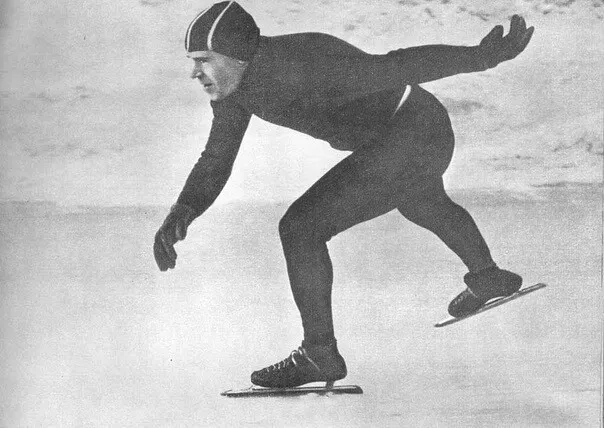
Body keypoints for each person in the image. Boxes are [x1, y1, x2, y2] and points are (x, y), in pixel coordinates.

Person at [154, 1, 534, 388]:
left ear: (236, 55)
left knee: (302, 227)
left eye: (203, 60)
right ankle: (488, 276)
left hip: (415, 130)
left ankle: (319, 354)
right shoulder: (233, 91)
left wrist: (482, 57)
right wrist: (183, 211)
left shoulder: (307, 61)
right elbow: (217, 157)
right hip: (397, 135)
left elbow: (399, 65)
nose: (195, 73)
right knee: (422, 202)